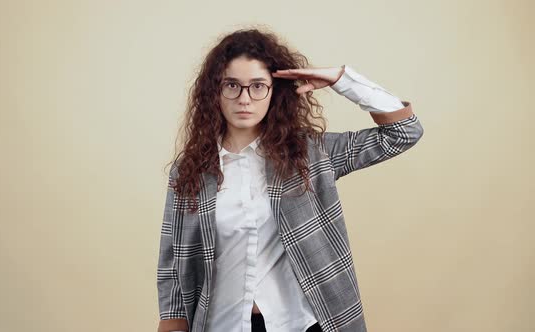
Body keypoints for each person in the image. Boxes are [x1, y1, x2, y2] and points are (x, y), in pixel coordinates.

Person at [156, 28, 424, 332]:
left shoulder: (310, 155)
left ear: (275, 91)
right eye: (232, 85)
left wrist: (341, 80)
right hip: (221, 324)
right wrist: (172, 322)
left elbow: (404, 132)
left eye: (258, 86)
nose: (245, 98)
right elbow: (173, 258)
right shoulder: (191, 169)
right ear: (214, 91)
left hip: (299, 324)